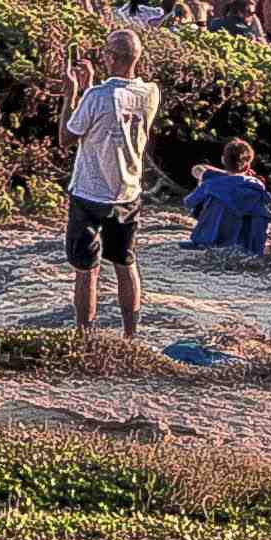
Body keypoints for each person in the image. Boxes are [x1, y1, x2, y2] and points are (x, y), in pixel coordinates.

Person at [60, 26, 158, 335]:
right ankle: (130, 334)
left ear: (111, 57)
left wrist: (71, 94)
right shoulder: (150, 92)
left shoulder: (97, 96)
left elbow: (67, 136)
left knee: (86, 270)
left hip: (91, 191)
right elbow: (111, 114)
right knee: (125, 263)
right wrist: (90, 87)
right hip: (127, 190)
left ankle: (84, 333)